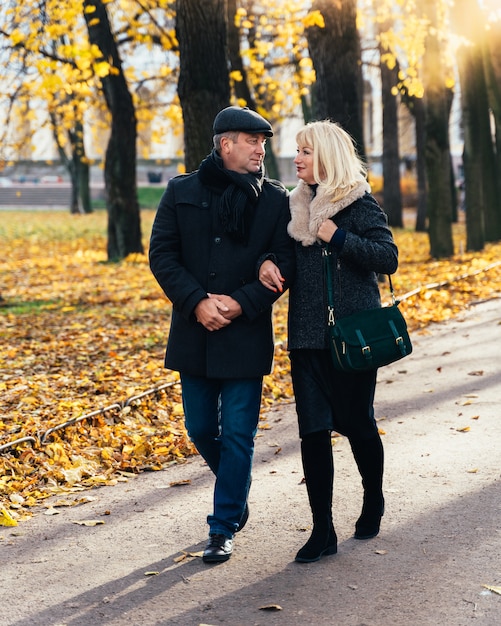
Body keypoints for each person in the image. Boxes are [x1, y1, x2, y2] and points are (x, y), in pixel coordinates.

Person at [149, 106, 295, 564]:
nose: (260, 149)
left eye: (264, 142)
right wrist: (196, 302)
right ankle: (237, 491)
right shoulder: (181, 191)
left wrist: (241, 301)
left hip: (244, 334)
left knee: (237, 435)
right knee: (199, 427)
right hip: (194, 333)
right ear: (225, 143)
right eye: (252, 141)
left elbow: (285, 261)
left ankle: (223, 525)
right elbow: (162, 255)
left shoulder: (275, 199)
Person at [260, 120, 398, 563]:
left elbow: (387, 258)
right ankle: (322, 530)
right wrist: (268, 263)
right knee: (313, 432)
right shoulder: (295, 207)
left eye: (305, 150)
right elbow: (285, 257)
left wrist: (337, 236)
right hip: (305, 338)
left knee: (357, 423)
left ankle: (372, 497)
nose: (296, 157)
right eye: (296, 150)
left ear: (327, 157)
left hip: (353, 339)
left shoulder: (359, 204)